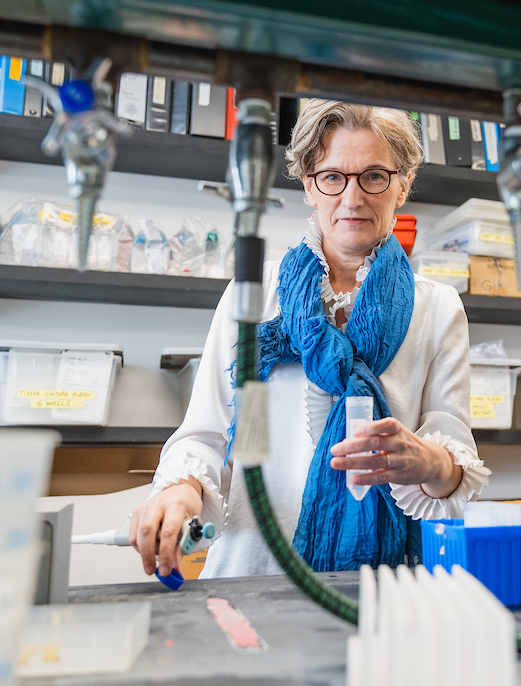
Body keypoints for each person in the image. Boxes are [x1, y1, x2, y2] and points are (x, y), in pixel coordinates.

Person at [131, 99, 490, 579]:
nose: (352, 197)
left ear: (402, 185)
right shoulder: (255, 295)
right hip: (254, 570)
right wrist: (181, 488)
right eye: (333, 176)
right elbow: (208, 436)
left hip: (380, 583)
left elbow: (453, 461)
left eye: (374, 176)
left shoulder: (437, 307)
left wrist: (428, 462)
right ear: (308, 184)